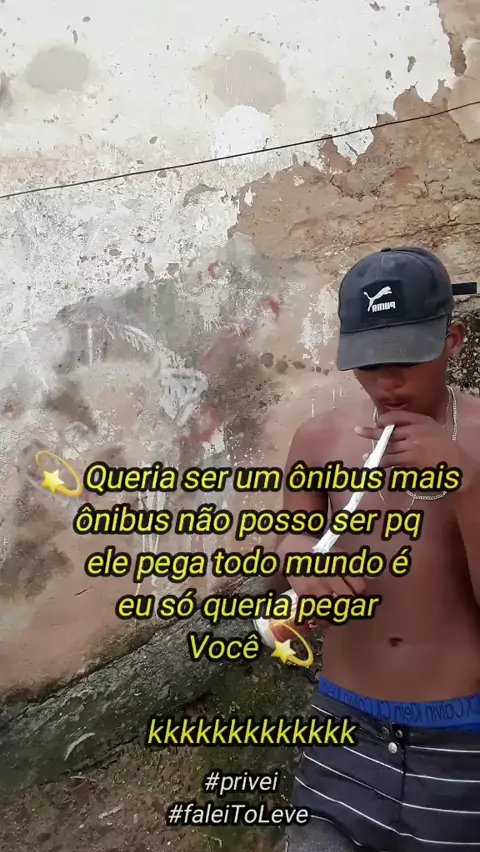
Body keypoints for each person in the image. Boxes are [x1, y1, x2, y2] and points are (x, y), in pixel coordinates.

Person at [276, 247, 480, 852]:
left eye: (406, 360)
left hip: (462, 734)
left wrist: (465, 483)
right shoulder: (319, 440)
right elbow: (292, 537)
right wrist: (303, 568)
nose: (387, 383)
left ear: (452, 341)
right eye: (369, 364)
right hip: (344, 724)